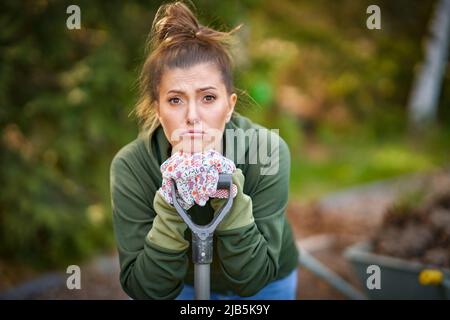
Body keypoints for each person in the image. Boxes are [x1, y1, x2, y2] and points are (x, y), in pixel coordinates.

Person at [109, 1, 299, 300]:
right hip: (179, 285)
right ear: (158, 110)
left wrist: (228, 191)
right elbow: (145, 289)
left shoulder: (267, 150)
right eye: (175, 100)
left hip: (265, 282)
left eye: (208, 97)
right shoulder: (132, 166)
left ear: (230, 106)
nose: (192, 116)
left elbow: (254, 279)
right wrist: (171, 201)